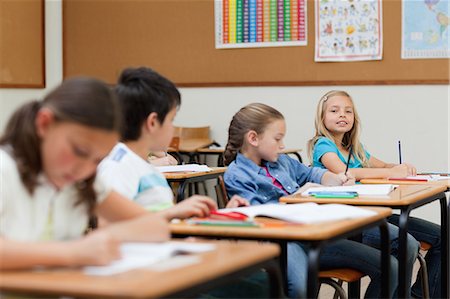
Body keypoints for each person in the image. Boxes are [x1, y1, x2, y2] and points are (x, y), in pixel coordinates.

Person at [223, 102, 398, 299]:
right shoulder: (237, 174)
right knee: (299, 287)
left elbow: (311, 173)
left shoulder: (282, 161)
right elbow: (257, 219)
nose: (282, 146)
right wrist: (296, 198)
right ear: (253, 138)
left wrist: (335, 179)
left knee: (389, 266)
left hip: (315, 236)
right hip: (282, 243)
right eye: (277, 139)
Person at [0, 77, 169, 270]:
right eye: (79, 151)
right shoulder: (5, 169)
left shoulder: (81, 182)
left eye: (98, 160)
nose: (85, 169)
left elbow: (157, 227)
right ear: (44, 124)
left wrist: (107, 238)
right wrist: (72, 252)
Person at [308, 90, 441, 298]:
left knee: (441, 235)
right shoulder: (323, 145)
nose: (342, 115)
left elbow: (382, 164)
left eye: (348, 111)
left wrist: (399, 167)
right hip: (349, 222)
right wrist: (389, 173)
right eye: (334, 111)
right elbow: (343, 171)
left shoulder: (354, 147)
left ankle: (418, 295)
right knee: (407, 244)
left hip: (373, 213)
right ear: (322, 118)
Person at [98, 67, 248, 223]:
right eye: (171, 120)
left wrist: (223, 216)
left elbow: (164, 224)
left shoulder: (146, 168)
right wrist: (173, 213)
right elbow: (110, 228)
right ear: (152, 123)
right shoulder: (119, 167)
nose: (172, 128)